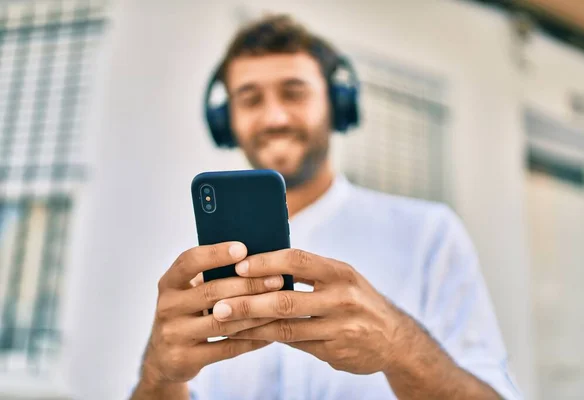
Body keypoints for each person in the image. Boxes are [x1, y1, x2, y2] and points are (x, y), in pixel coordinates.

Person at [131, 14, 521, 400]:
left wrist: (399, 346)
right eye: (250, 99)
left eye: (294, 92)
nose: (274, 117)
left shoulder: (429, 234)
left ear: (337, 105)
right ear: (225, 121)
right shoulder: (198, 261)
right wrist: (159, 376)